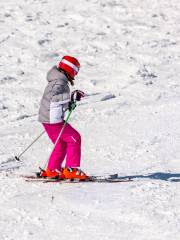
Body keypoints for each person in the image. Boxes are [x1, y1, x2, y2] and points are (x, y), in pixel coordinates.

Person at [38, 55, 89, 180]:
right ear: (70, 69)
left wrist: (69, 103)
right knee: (74, 138)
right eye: (76, 70)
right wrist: (70, 97)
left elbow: (57, 100)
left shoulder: (58, 80)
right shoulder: (59, 82)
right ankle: (71, 169)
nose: (76, 74)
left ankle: (52, 170)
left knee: (61, 144)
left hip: (49, 119)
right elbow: (53, 98)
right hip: (53, 120)